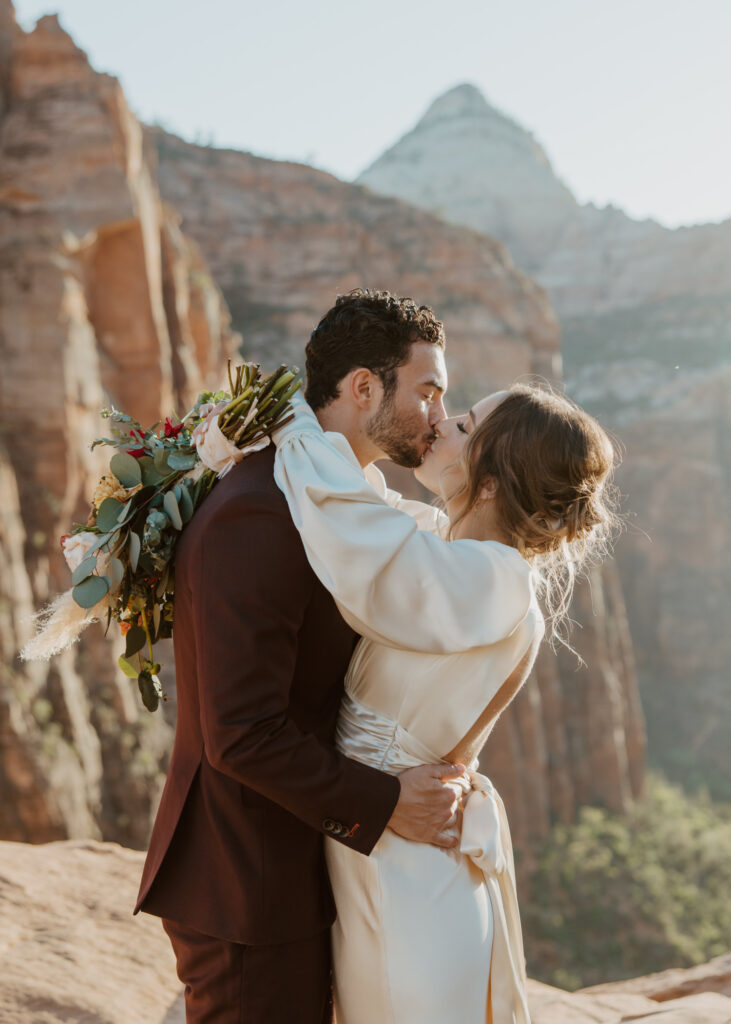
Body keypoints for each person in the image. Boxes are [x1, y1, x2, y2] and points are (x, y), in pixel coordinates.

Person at [134, 289, 540, 1024]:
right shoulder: (260, 513)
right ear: (362, 389)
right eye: (427, 392)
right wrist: (388, 804)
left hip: (296, 862)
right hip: (247, 880)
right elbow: (239, 731)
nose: (437, 416)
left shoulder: (331, 505)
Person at [273, 375, 617, 1023]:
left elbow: (344, 526)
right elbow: (366, 509)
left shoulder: (487, 579)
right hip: (385, 844)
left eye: (461, 426)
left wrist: (293, 420)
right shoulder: (451, 553)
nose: (438, 424)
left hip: (407, 875)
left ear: (488, 482)